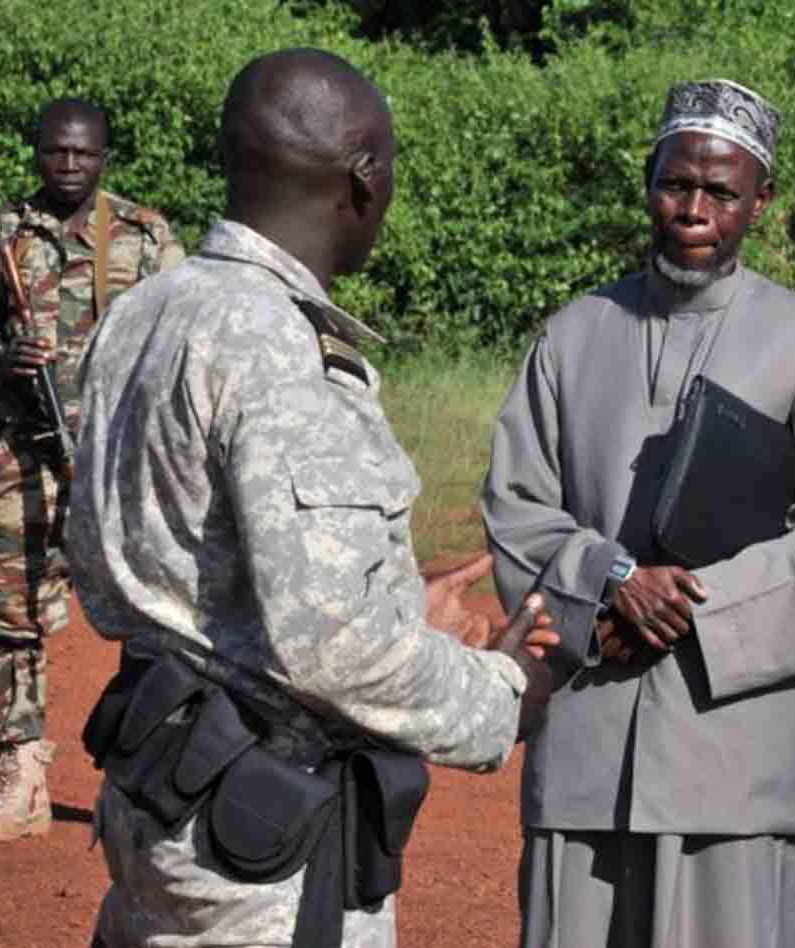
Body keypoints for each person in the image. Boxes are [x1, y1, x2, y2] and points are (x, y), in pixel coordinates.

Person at [67, 48, 558, 947]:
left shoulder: (146, 310)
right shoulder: (279, 348)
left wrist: (396, 604)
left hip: (155, 799)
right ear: (363, 178)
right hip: (258, 849)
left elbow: (125, 567)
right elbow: (337, 650)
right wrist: (505, 693)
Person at [482, 79, 795, 947]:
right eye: (675, 184)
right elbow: (515, 507)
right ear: (649, 185)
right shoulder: (573, 334)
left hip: (731, 767)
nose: (693, 210)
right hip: (584, 752)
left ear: (759, 202)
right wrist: (611, 578)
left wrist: (690, 604)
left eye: (720, 192)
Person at [0, 96, 184, 844]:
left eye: (84, 153)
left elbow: (184, 335)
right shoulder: (3, 233)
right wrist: (1, 354)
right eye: (57, 151)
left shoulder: (145, 235)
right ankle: (21, 782)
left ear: (104, 157)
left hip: (121, 462)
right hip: (25, 453)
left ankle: (147, 788)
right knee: (9, 614)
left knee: (155, 620)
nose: (70, 164)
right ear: (38, 152)